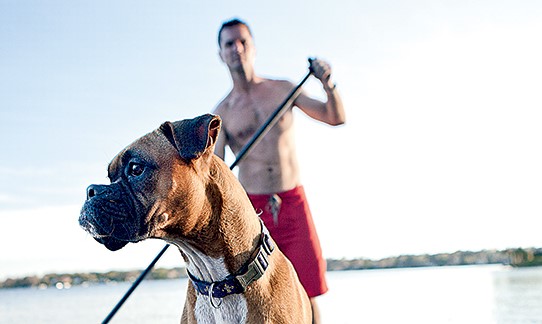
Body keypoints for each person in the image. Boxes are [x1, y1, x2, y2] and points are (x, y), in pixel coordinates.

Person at [213, 18, 345, 323]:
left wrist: (328, 82)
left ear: (253, 47)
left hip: (292, 200)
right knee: (261, 293)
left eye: (243, 41)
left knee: (307, 292)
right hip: (253, 212)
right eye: (229, 44)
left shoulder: (283, 89)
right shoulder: (222, 113)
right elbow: (217, 174)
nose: (237, 49)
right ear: (221, 54)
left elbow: (335, 117)